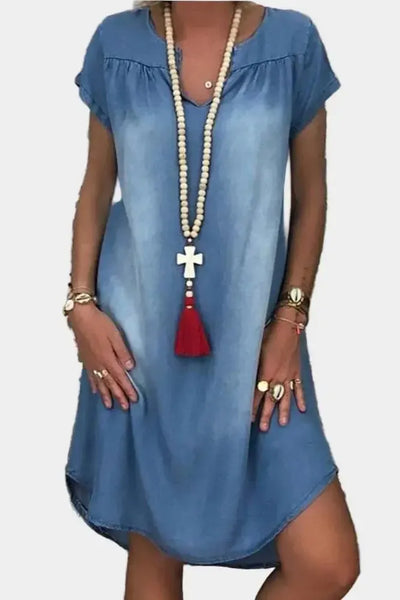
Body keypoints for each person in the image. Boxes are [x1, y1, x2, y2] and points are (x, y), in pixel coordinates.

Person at [64, 1, 360, 598]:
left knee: (328, 563)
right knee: (155, 548)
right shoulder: (116, 44)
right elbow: (96, 185)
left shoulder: (292, 43)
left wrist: (291, 320)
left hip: (257, 346)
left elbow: (312, 195)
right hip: (138, 345)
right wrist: (81, 307)